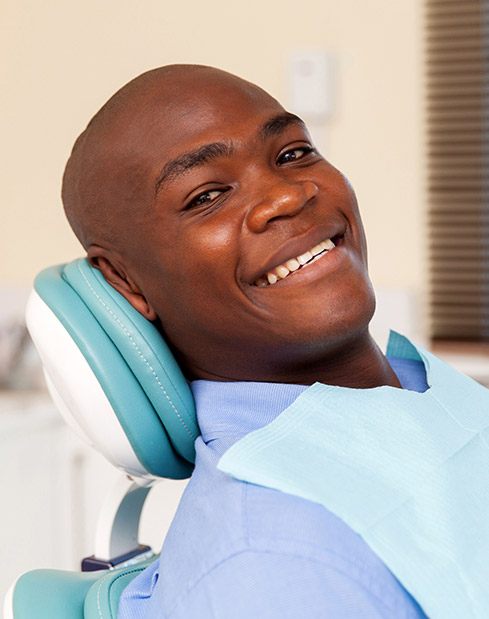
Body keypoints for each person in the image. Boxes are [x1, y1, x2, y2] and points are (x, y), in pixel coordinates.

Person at [62, 65, 428, 618]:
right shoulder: (273, 566)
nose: (286, 196)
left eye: (291, 154)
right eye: (207, 195)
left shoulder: (421, 388)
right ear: (126, 281)